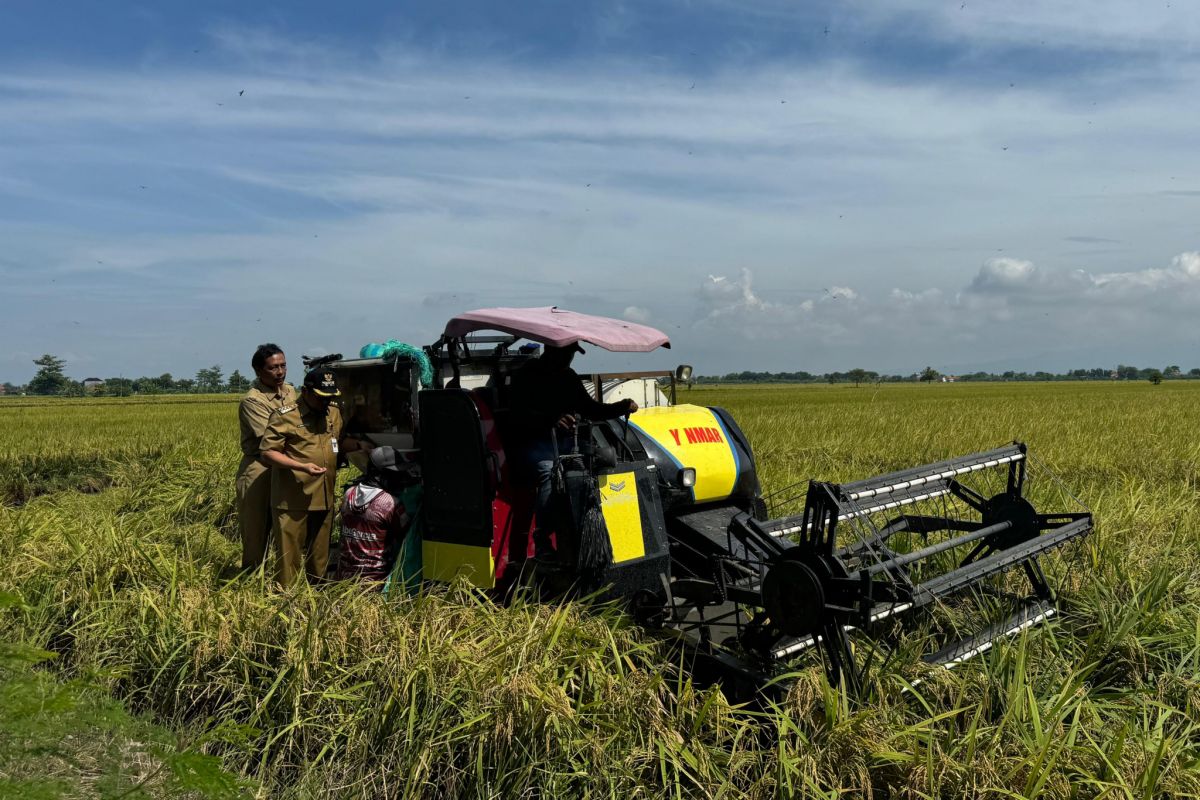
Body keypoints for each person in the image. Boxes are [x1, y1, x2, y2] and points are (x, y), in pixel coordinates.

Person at [506, 342, 637, 559]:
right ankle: (542, 541)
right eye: (566, 354)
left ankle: (589, 538)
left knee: (587, 472)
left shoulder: (569, 377)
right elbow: (517, 415)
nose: (569, 359)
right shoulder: (526, 375)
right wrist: (551, 420)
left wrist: (622, 407)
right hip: (529, 447)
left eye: (571, 355)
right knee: (551, 472)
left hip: (565, 448)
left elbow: (591, 409)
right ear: (551, 351)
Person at [260, 369, 361, 586]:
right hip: (293, 498)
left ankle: (317, 593)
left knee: (320, 554)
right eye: (320, 397)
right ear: (305, 391)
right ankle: (287, 601)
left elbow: (338, 441)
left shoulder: (333, 413)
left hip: (324, 495)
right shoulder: (285, 415)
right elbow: (268, 452)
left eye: (330, 397)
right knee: (290, 557)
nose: (326, 402)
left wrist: (362, 448)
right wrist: (301, 467)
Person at [235, 343, 296, 571]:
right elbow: (270, 440)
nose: (280, 372)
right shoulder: (253, 400)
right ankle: (250, 577)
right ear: (258, 371)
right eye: (273, 368)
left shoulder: (290, 391)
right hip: (259, 468)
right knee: (256, 529)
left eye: (283, 365)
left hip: (286, 464)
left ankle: (281, 574)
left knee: (285, 525)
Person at [335, 446, 415, 583]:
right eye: (395, 473)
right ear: (382, 474)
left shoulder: (349, 494)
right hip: (374, 582)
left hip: (343, 579)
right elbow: (407, 534)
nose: (400, 478)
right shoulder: (390, 503)